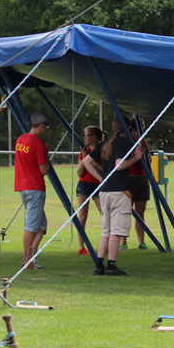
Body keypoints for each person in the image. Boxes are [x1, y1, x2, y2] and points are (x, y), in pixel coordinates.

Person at [78, 116, 143, 276]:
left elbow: (86, 161)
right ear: (126, 128)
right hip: (119, 191)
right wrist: (135, 158)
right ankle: (111, 266)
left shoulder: (105, 144)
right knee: (116, 230)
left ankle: (99, 265)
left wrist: (101, 178)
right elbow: (119, 165)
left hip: (104, 191)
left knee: (105, 230)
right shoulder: (124, 143)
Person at [14, 112, 51, 268]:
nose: (46, 130)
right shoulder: (38, 143)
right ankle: (26, 260)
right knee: (31, 225)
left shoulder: (20, 140)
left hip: (23, 187)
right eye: (46, 127)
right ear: (41, 126)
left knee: (42, 224)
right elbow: (43, 170)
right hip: (35, 187)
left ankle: (31, 255)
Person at [75, 126, 106, 256]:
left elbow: (104, 170)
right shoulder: (84, 151)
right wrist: (84, 159)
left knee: (104, 214)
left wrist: (91, 161)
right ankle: (82, 247)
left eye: (87, 135)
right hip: (84, 185)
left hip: (98, 185)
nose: (85, 138)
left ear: (94, 137)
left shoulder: (103, 151)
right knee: (82, 217)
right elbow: (79, 173)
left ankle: (107, 246)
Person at [122, 120, 151, 251]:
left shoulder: (143, 142)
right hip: (129, 179)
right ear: (133, 130)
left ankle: (141, 242)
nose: (142, 131)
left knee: (140, 212)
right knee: (126, 211)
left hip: (142, 179)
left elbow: (148, 161)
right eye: (139, 129)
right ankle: (123, 242)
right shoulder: (126, 142)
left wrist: (146, 150)